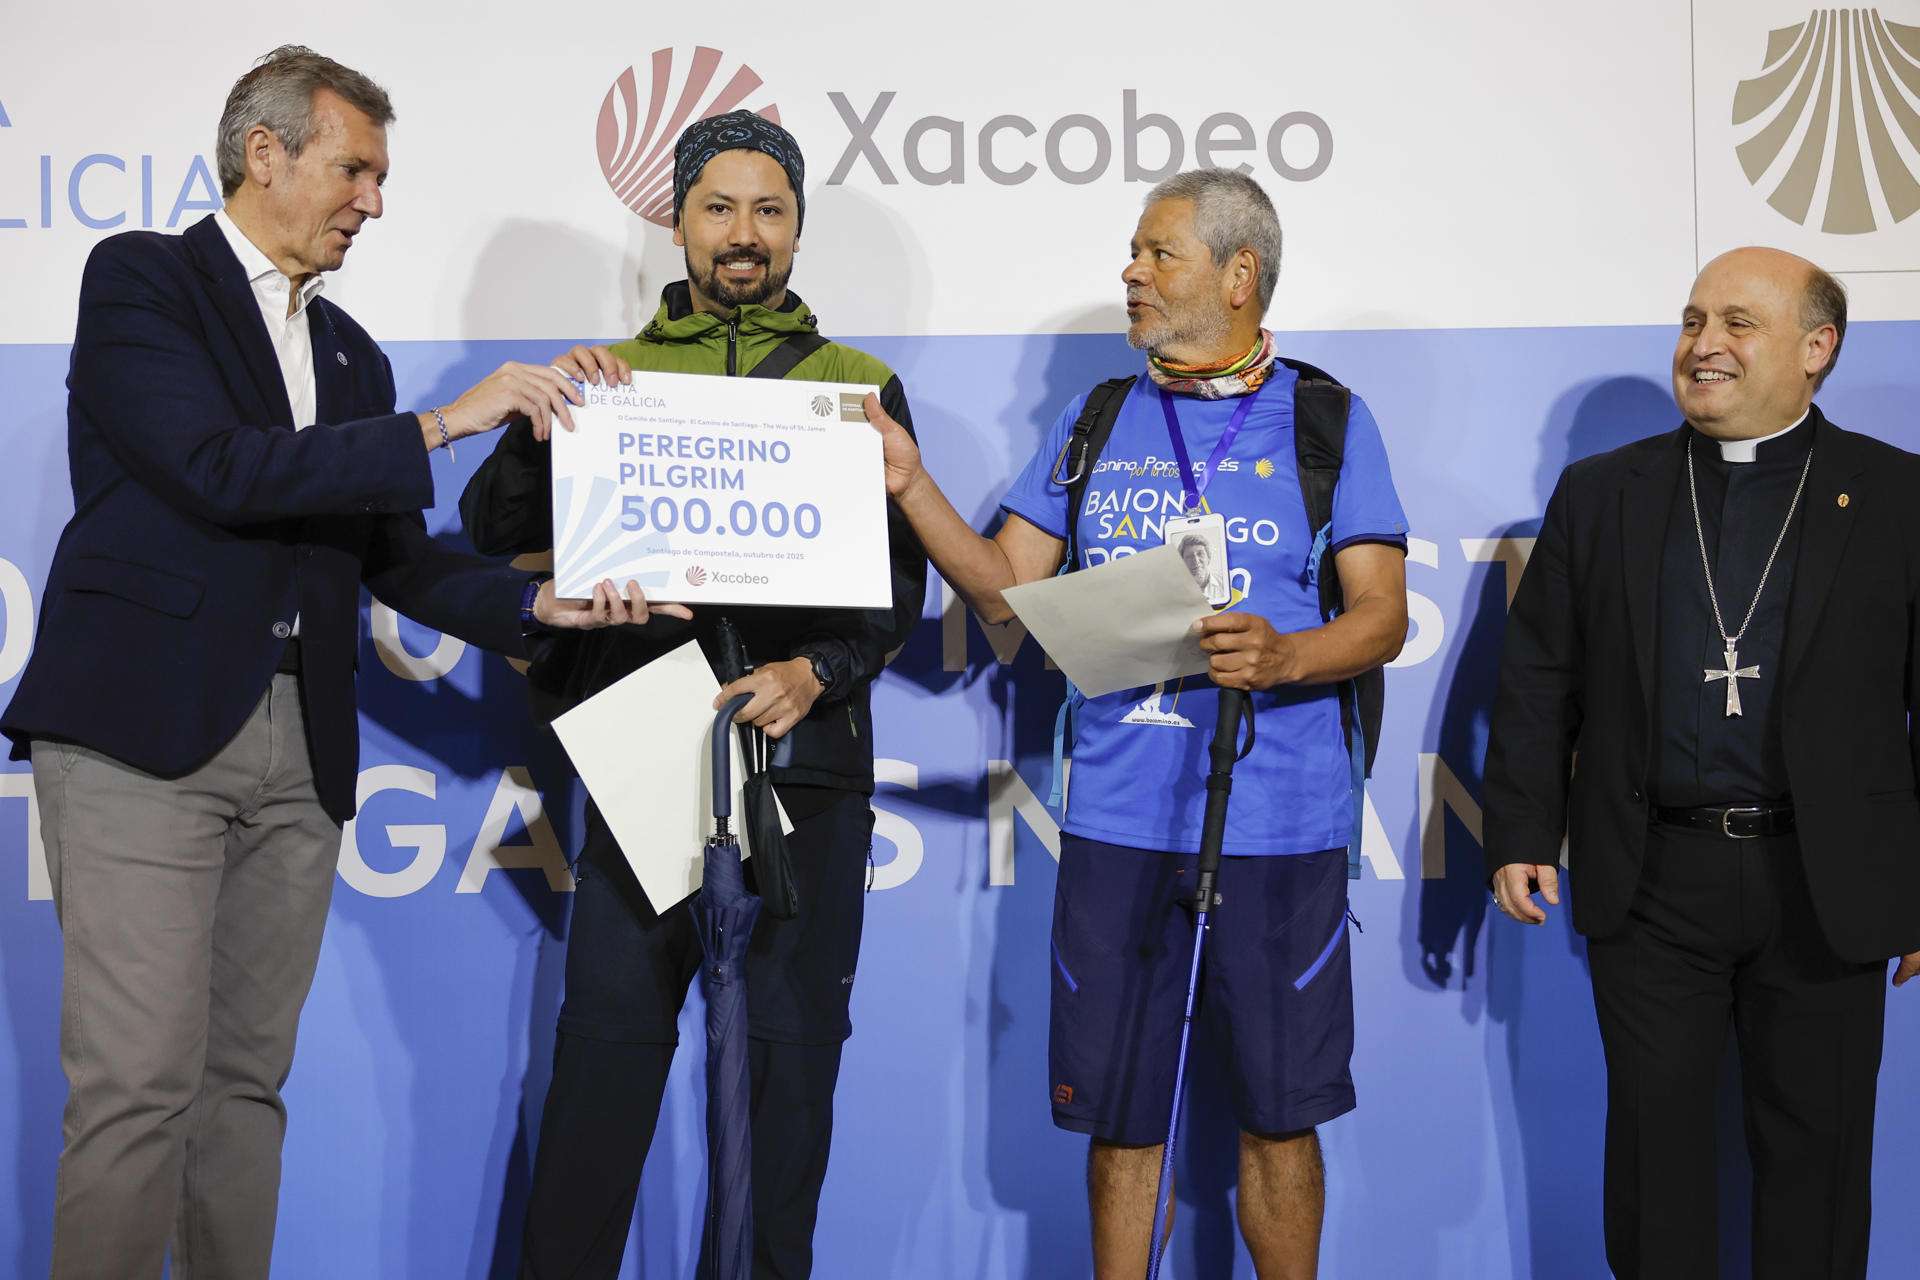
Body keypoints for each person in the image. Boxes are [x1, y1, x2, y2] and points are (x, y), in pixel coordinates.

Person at [0, 45, 666, 1280]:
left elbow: (397, 562)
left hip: (299, 750)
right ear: (268, 153)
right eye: (354, 167)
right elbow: (214, 468)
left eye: (378, 175)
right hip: (143, 733)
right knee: (139, 1082)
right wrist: (447, 420)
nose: (373, 199)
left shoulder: (350, 349)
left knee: (244, 1085)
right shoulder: (143, 278)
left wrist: (544, 608)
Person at [863, 168, 1408, 1279]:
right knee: (1123, 1122)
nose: (1132, 272)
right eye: (1135, 253)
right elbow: (1005, 596)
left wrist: (1288, 653)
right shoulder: (1095, 415)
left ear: (1239, 272)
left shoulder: (1326, 418)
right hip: (1115, 823)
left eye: (1159, 253)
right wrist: (913, 486)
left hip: (1282, 826)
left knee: (1280, 1115)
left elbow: (1384, 616)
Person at [458, 109, 927, 1279]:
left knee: (788, 1074)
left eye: (770, 210)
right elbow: (491, 533)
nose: (743, 233)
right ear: (676, 222)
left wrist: (818, 672)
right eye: (719, 206)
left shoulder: (858, 388)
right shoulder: (612, 380)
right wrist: (537, 423)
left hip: (807, 778)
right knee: (604, 1067)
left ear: (798, 232)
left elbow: (899, 589)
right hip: (644, 766)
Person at [1484, 246, 1920, 1279]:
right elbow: (1541, 673)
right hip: (1654, 881)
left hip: (1829, 880)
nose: (1703, 345)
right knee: (1654, 1165)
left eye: (1736, 322)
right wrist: (1518, 828)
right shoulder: (1604, 493)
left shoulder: (1897, 494)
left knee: (1815, 1169)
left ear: (1818, 349)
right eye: (1691, 320)